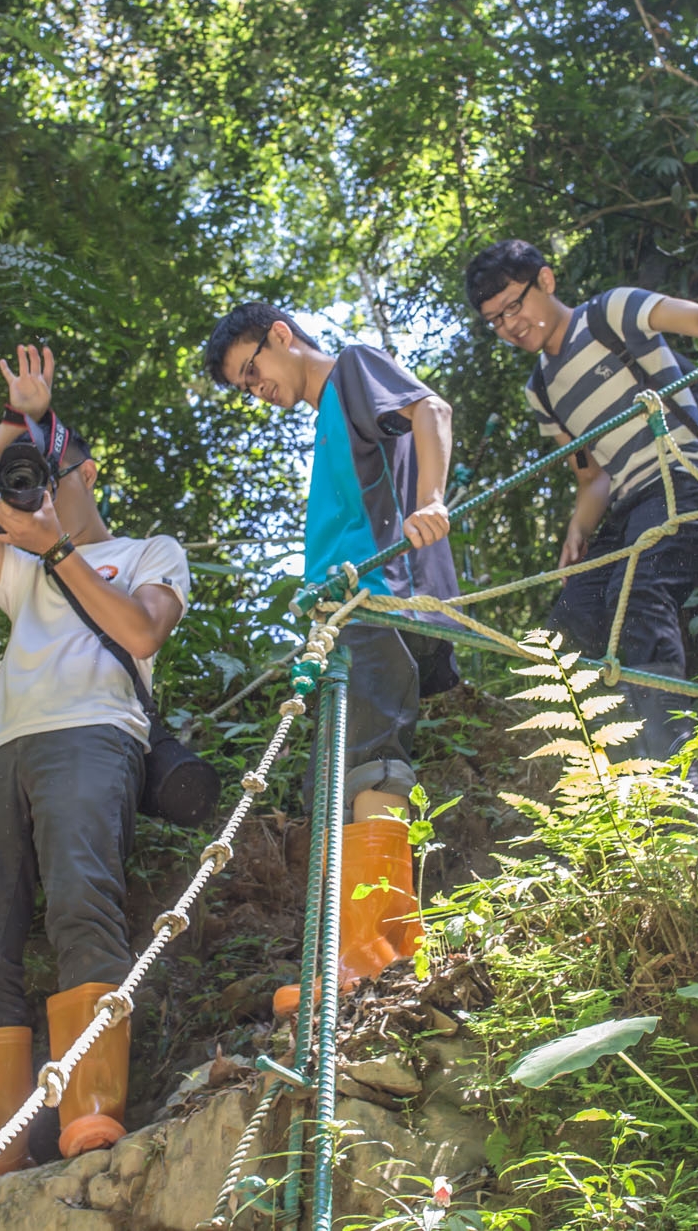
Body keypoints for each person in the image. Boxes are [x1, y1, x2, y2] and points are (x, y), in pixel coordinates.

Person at [0, 344, 192, 1214]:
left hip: (93, 735)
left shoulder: (151, 550)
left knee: (82, 900)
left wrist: (59, 545)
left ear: (88, 473)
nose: (44, 480)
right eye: (35, 470)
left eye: (57, 464)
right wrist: (14, 424)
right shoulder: (20, 564)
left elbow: (142, 635)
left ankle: (91, 1109)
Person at [203, 304, 457, 1013]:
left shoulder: (351, 367)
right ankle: (351, 955)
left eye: (253, 369)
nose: (257, 388)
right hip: (345, 616)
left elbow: (429, 407)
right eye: (243, 386)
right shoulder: (327, 421)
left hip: (377, 598)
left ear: (281, 335)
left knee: (372, 754)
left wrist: (430, 502)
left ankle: (379, 956)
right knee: (336, 782)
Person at [464, 240, 698, 763]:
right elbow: (593, 479)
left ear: (545, 281)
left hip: (686, 476)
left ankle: (676, 770)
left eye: (514, 306)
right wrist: (577, 531)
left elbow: (696, 320)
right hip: (631, 502)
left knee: (638, 594)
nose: (510, 326)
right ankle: (604, 774)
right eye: (495, 321)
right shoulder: (541, 389)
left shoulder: (608, 314)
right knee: (565, 633)